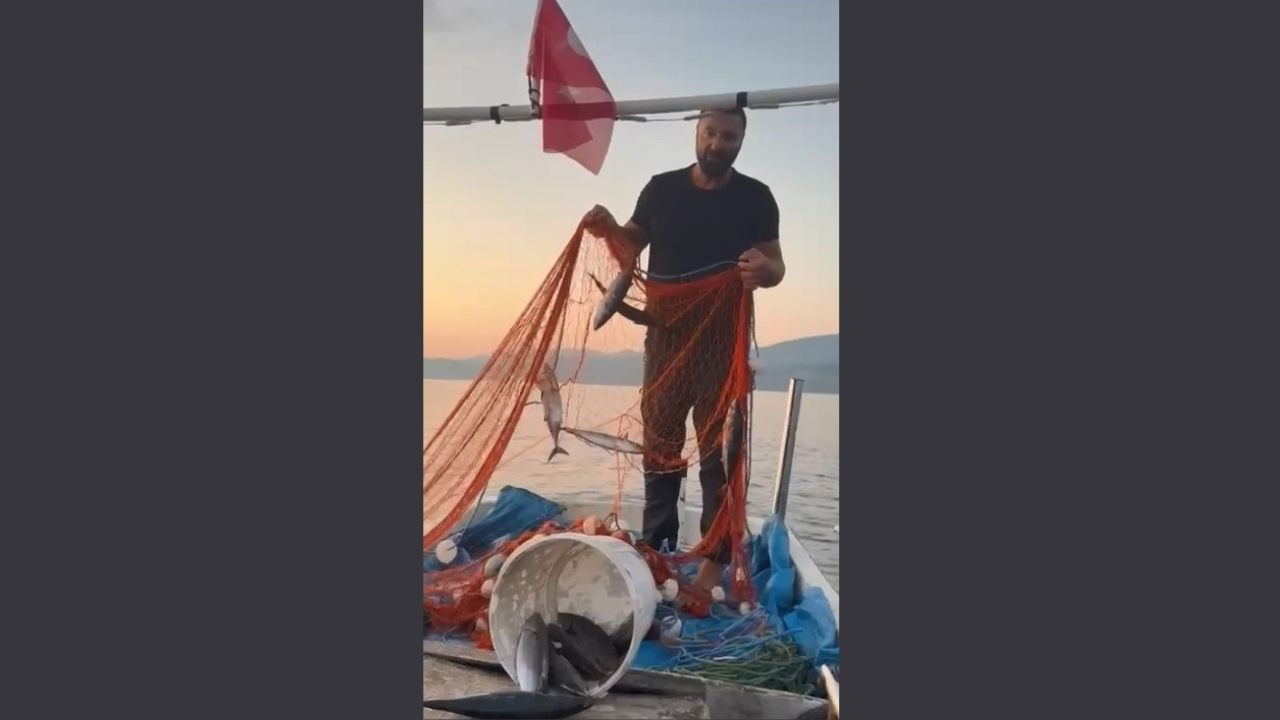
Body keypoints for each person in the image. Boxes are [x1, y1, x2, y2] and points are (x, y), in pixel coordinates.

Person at [581, 107, 786, 590]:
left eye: (728, 137)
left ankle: (714, 557)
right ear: (696, 132)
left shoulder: (757, 197)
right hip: (665, 337)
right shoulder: (661, 189)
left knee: (719, 451)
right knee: (660, 444)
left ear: (741, 141)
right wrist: (608, 228)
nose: (717, 144)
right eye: (710, 133)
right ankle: (657, 548)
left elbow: (776, 266)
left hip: (723, 341)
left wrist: (765, 270)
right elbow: (629, 247)